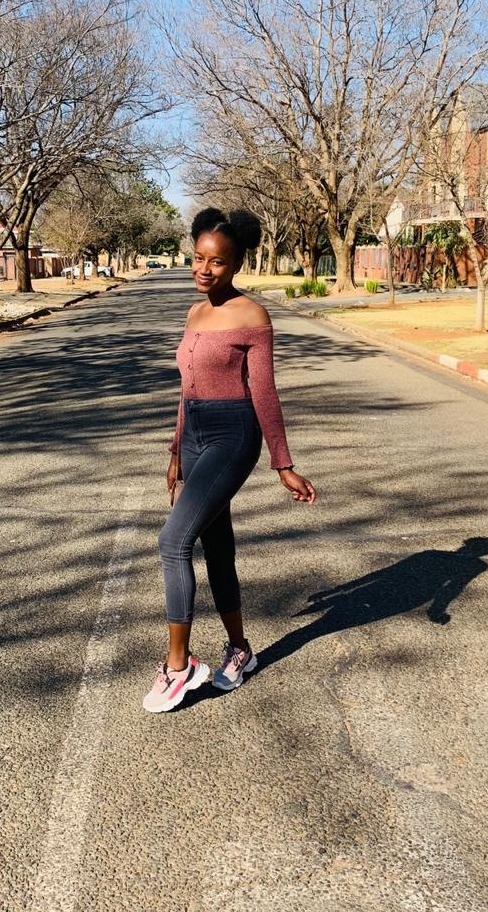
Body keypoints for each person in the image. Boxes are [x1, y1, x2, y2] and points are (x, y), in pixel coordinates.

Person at [143, 207, 316, 714]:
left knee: (173, 541)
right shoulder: (194, 313)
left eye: (216, 262)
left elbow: (264, 391)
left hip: (233, 435)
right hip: (195, 434)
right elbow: (186, 390)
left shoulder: (252, 316)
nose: (204, 269)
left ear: (237, 263)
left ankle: (179, 667)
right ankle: (240, 650)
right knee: (217, 548)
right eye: (198, 258)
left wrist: (282, 462)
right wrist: (176, 451)